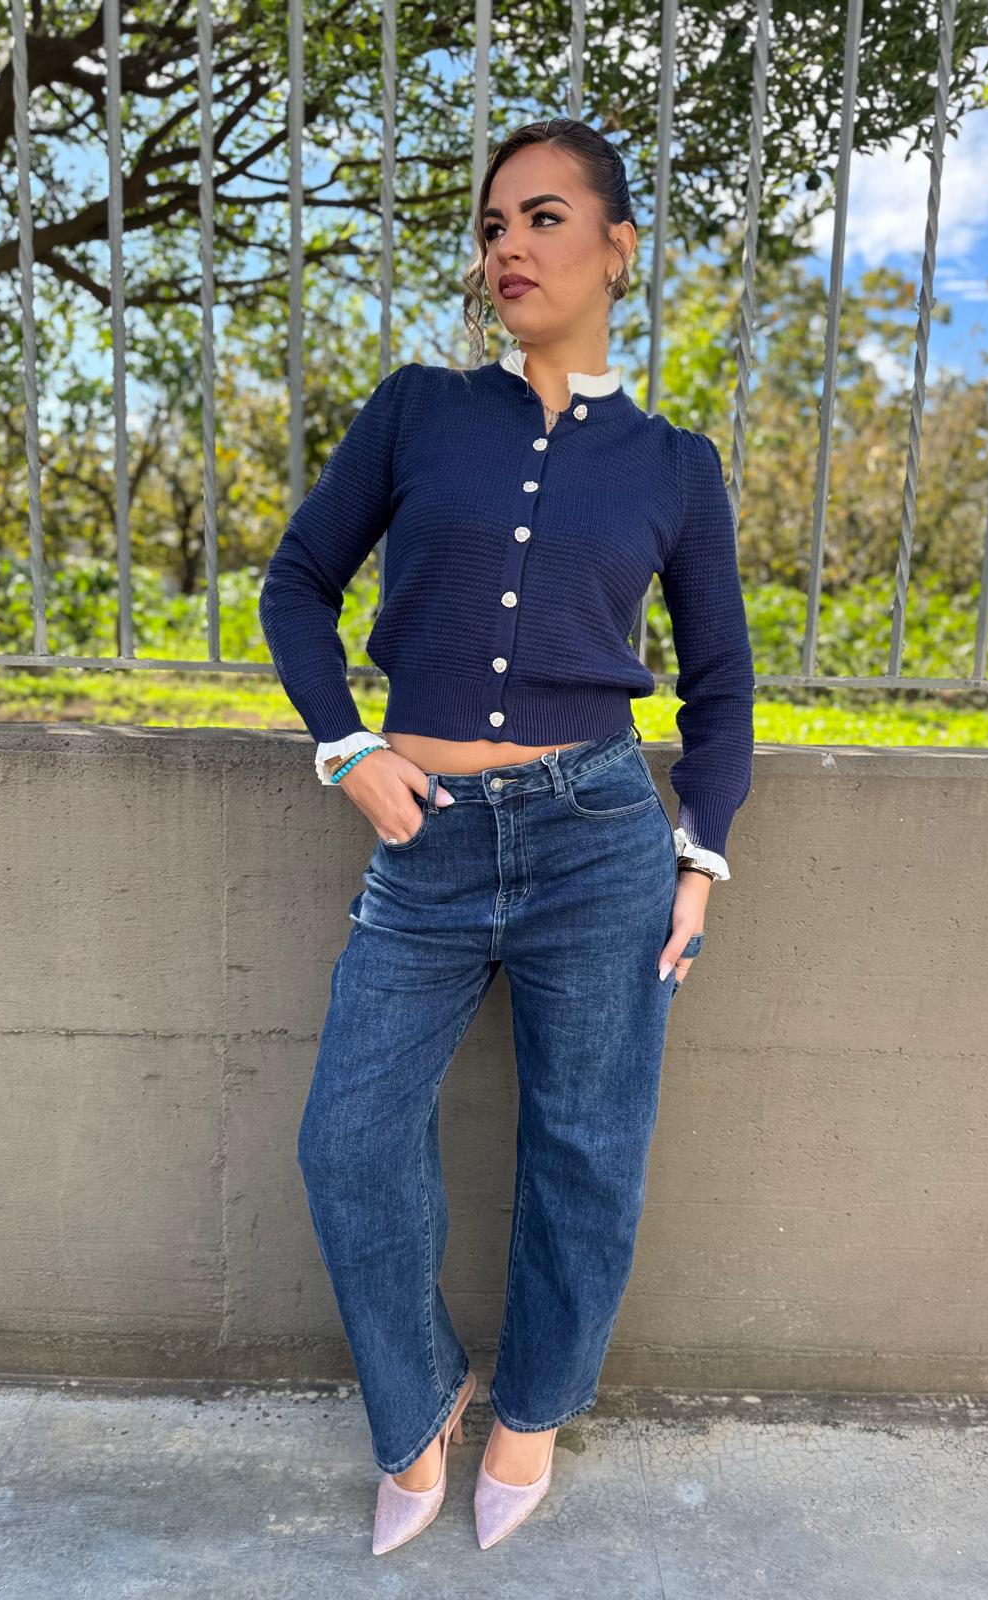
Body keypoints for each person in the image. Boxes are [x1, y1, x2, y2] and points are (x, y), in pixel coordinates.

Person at [258, 115, 754, 1554]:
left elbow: (721, 683)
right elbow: (297, 583)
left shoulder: (674, 465)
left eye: (543, 218)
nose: (509, 248)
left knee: (586, 1151)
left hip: (597, 837)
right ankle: (423, 1406)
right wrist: (348, 745)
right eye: (491, 226)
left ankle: (531, 1415)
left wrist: (700, 852)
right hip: (422, 840)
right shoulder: (419, 412)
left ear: (617, 248)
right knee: (348, 1139)